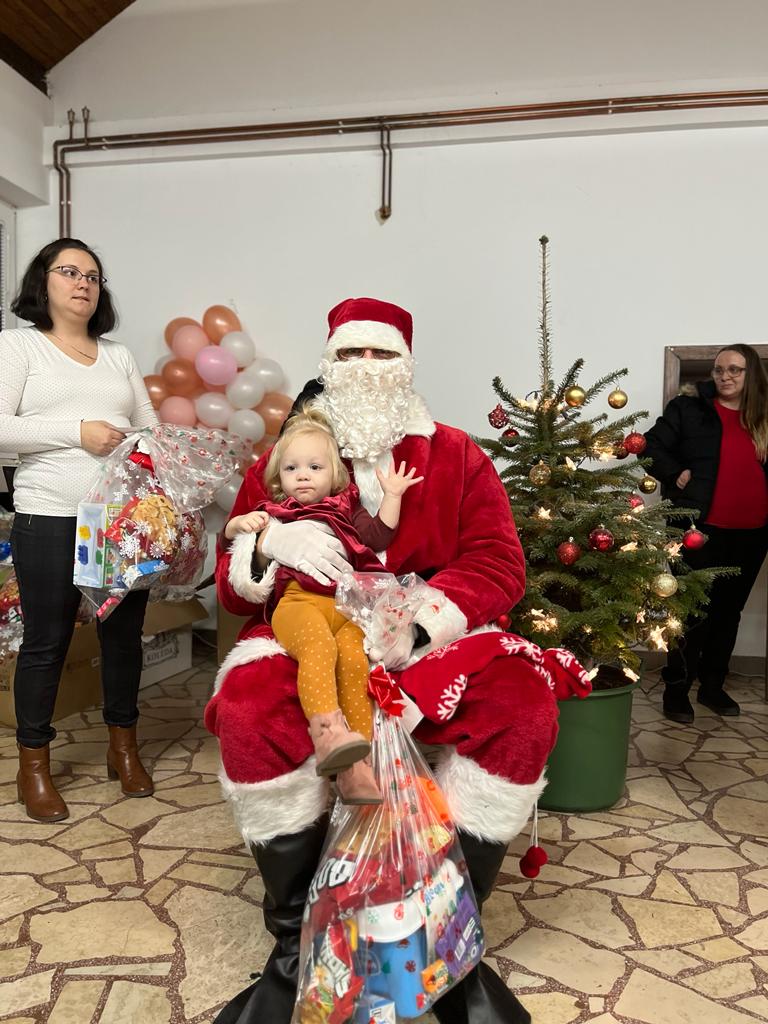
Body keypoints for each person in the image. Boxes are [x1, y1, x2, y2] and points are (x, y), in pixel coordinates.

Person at [206, 297, 560, 1024]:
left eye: (381, 355)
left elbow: (499, 561)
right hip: (306, 627)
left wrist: (423, 626)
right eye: (349, 355)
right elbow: (233, 590)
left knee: (523, 709)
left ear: (406, 366)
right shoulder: (285, 454)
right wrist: (266, 546)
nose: (365, 370)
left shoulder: (458, 455)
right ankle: (294, 946)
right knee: (248, 710)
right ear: (326, 365)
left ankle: (449, 940)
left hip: (431, 640)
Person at [0, 238, 158, 823]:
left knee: (123, 638)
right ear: (43, 281)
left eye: (93, 275)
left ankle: (124, 749)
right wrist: (79, 432)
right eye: (69, 272)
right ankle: (33, 768)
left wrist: (143, 453)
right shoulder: (18, 346)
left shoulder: (117, 355)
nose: (83, 283)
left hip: (117, 524)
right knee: (47, 643)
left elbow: (149, 426)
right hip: (50, 516)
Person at [224, 407, 422, 803]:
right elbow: (232, 534)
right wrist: (246, 529)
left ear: (335, 475)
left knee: (352, 658)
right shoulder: (276, 513)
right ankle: (328, 734)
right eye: (291, 468)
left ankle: (357, 766)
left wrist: (393, 495)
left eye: (314, 467)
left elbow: (381, 534)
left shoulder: (348, 511)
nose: (302, 475)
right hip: (299, 602)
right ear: (278, 478)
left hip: (346, 607)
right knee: (319, 648)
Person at [644, 344, 768, 723]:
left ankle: (713, 687)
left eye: (735, 370)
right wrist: (674, 472)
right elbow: (650, 446)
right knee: (689, 612)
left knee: (729, 613)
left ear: (752, 376)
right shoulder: (689, 408)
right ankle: (677, 689)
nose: (725, 376)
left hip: (752, 533)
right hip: (699, 530)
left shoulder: (762, 417)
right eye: (719, 370)